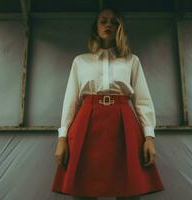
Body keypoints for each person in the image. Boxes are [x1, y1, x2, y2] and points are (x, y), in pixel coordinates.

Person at [51, 6, 164, 200]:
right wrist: (62, 139)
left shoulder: (131, 60)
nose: (108, 25)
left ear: (120, 27)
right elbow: (70, 102)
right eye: (103, 21)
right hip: (86, 123)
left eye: (114, 21)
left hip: (123, 124)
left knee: (128, 188)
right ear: (96, 27)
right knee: (83, 189)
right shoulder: (80, 61)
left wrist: (149, 138)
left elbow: (143, 101)